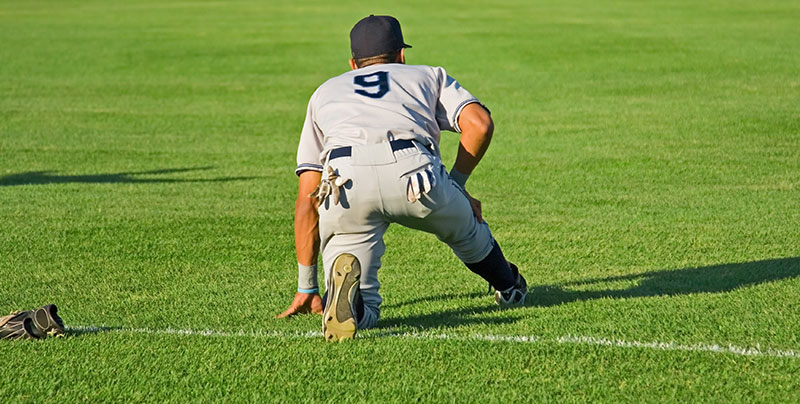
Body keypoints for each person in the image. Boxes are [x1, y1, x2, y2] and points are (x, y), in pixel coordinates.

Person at [276, 15, 527, 342]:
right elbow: (479, 124)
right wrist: (458, 185)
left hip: (344, 183)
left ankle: (353, 305)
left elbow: (307, 196)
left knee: (362, 300)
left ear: (353, 63)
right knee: (466, 231)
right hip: (414, 172)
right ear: (401, 56)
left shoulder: (324, 92)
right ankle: (509, 287)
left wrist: (306, 285)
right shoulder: (426, 75)